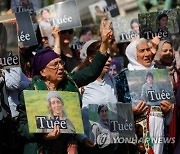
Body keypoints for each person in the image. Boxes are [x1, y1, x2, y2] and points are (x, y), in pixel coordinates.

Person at [18, 19, 114, 154]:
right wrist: (43, 134)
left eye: (61, 63)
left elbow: (92, 71)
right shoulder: (30, 92)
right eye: (55, 65)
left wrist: (104, 44)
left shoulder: (69, 82)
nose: (61, 67)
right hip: (39, 148)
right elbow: (22, 127)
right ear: (43, 71)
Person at [115, 38, 173, 154]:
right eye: (142, 51)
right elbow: (116, 110)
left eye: (148, 49)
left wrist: (168, 110)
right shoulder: (122, 78)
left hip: (159, 132)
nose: (147, 54)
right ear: (133, 54)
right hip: (138, 136)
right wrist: (131, 112)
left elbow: (168, 107)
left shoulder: (159, 74)